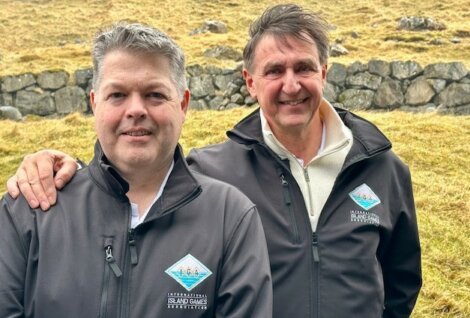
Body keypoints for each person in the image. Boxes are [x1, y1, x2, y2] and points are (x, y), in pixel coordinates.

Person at [7, 4, 422, 318]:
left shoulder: (384, 170)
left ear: (324, 73)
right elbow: (136, 175)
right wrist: (61, 166)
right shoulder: (211, 173)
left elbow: (401, 282)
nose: (291, 85)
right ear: (250, 82)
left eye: (304, 68)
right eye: (275, 70)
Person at [0, 22, 273, 318]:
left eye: (155, 94)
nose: (136, 110)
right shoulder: (29, 211)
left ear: (183, 104)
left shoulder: (230, 218)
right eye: (117, 95)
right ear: (95, 104)